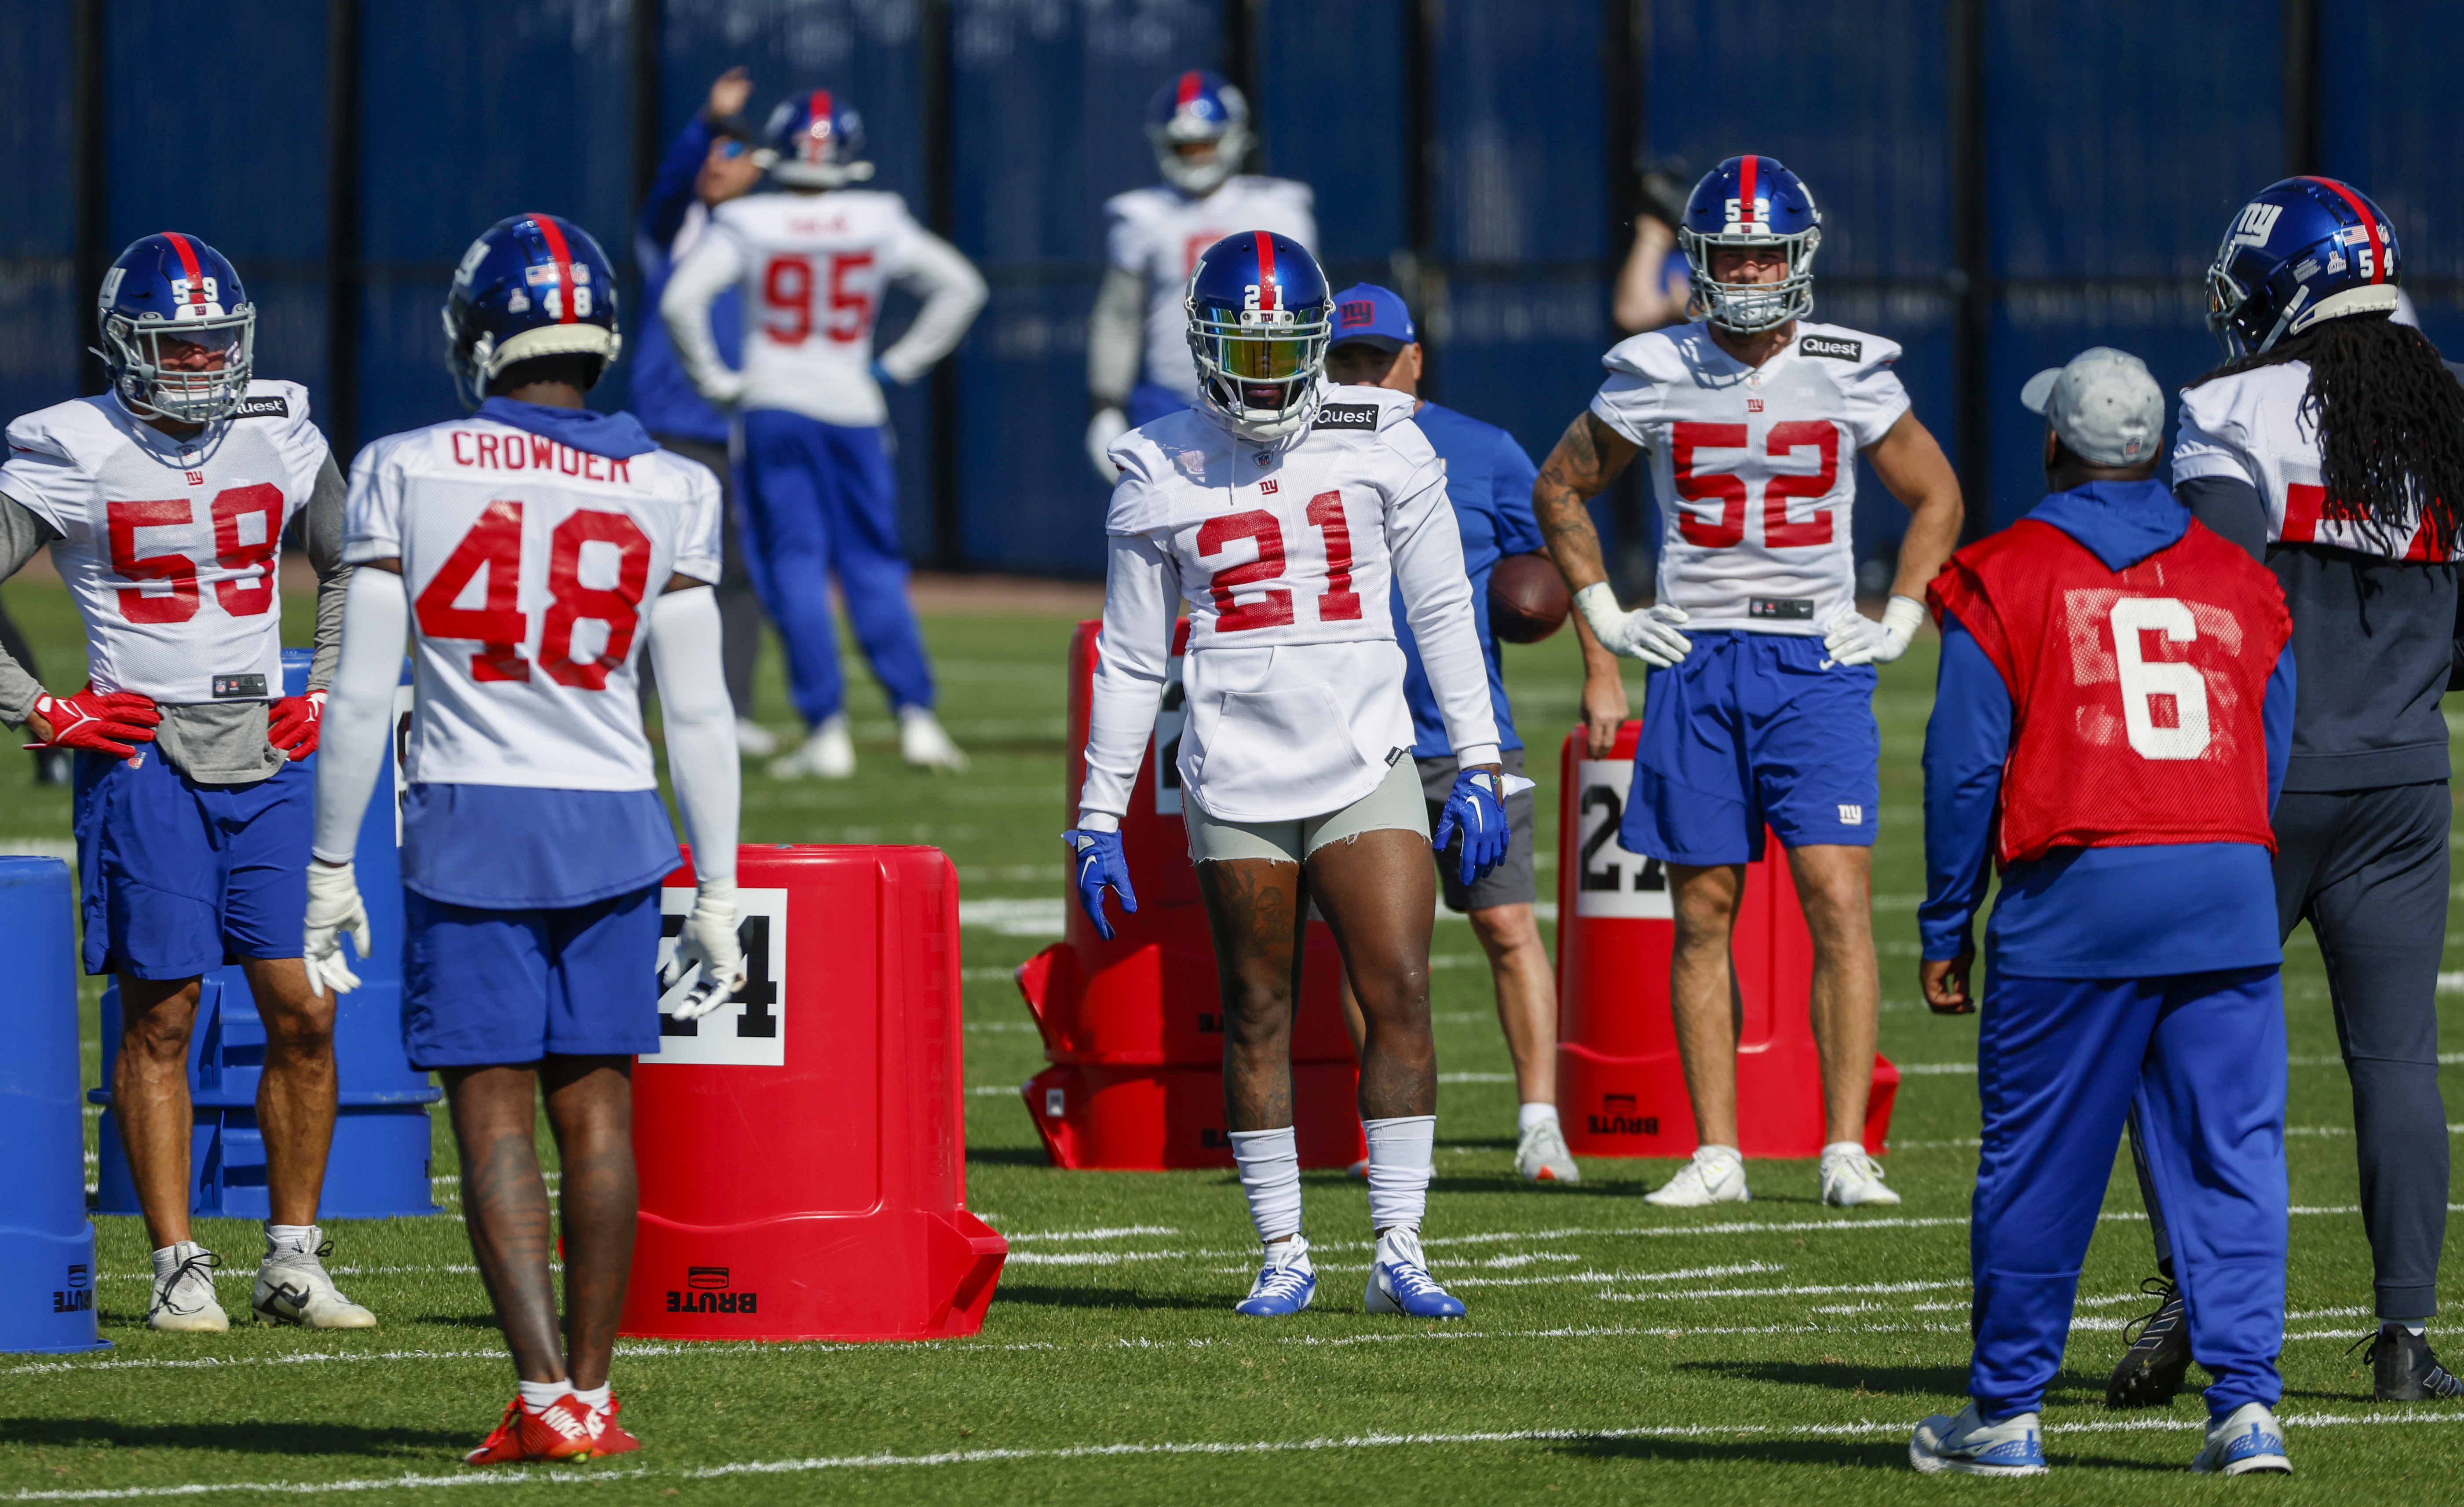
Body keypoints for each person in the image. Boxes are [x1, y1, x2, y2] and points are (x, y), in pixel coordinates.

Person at [305, 212, 746, 1463]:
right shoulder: (675, 484)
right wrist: (715, 883)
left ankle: (544, 1391)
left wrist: (331, 865)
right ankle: (594, 1397)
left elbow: (357, 697)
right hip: (615, 821)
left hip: (469, 821)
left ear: (480, 333)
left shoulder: (407, 463)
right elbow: (699, 711)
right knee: (598, 1118)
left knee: (492, 1118)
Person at [1069, 231, 1517, 1320]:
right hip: (1233, 763)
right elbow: (1131, 656)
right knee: (1258, 1004)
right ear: (1203, 344)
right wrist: (1095, 812)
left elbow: (1443, 606)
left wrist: (1482, 759)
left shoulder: (1385, 439)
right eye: (1245, 349)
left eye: (1286, 350)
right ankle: (1281, 1248)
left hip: (1365, 751)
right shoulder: (1153, 464)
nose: (1266, 373)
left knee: (1401, 988)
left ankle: (1400, 1244)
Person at [1527, 155, 1963, 1208]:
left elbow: (1937, 496)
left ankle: (1844, 1148)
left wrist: (1898, 616)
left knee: (1838, 901)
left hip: (1814, 659)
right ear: (1701, 259)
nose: (1754, 272)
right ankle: (1716, 1152)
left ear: (1800, 256)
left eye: (1768, 252)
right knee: (1703, 912)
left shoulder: (1850, 364)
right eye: (1733, 254)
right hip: (1697, 655)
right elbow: (1561, 487)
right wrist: (1607, 616)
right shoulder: (1657, 363)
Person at [2103, 176, 2464, 1408]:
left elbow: (2210, 598)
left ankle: (2188, 1298)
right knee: (2398, 1063)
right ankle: (2405, 1342)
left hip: (2255, 781)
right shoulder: (2450, 408)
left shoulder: (2229, 407)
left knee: (2168, 1042)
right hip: (2407, 780)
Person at [1909, 348, 2297, 1478]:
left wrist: (1947, 923)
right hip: (2222, 886)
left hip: (2075, 900)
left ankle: (2008, 1413)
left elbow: (1962, 769)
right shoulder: (2240, 574)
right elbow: (2270, 751)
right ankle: (2247, 1409)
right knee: (2233, 1154)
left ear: (2054, 444)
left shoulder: (2003, 571)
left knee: (2037, 1164)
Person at [0, 232, 371, 1334]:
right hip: (145, 748)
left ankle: (293, 1260)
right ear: (123, 347)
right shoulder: (66, 445)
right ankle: (178, 1265)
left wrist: (333, 681)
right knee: (164, 1011)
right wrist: (41, 706)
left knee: (302, 1008)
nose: (203, 367)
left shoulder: (282, 421)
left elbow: (355, 561)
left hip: (268, 746)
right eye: (178, 345)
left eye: (217, 344)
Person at [1322, 282, 1627, 1185]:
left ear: (1413, 358)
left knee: (1502, 923)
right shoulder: (1304, 444)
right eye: (1345, 360)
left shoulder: (1482, 450)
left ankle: (1538, 1123)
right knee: (1367, 942)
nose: (1364, 375)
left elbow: (1563, 554)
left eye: (1377, 359)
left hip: (1465, 737)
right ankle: (1387, 1129)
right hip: (1350, 738)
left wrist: (1601, 668)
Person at [662, 88, 985, 779]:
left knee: (796, 567)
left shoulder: (749, 221)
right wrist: (894, 367)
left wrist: (718, 380)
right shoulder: (876, 217)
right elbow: (961, 286)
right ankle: (916, 719)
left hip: (775, 402)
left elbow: (679, 300)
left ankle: (827, 729)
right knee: (874, 564)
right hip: (853, 405)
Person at [631, 66, 775, 755]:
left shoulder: (765, 239)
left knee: (738, 576)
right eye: (710, 158)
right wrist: (708, 123)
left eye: (731, 156)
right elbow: (667, 189)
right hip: (664, 430)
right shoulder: (676, 229)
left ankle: (735, 709)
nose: (716, 169)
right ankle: (625, 710)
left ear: (758, 171)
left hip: (738, 435)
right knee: (643, 573)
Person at [1084, 69, 1316, 480]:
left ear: (1233, 137)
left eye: (1204, 143)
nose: (1194, 155)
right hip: (1170, 398)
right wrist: (1106, 402)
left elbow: (1312, 310)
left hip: (1268, 389)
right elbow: (1119, 316)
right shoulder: (1141, 216)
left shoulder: (1278, 207)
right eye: (1183, 146)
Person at [1610, 159, 1696, 336]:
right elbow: (1631, 314)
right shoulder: (1671, 253)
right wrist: (1653, 230)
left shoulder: (1734, 257)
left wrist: (1702, 309)